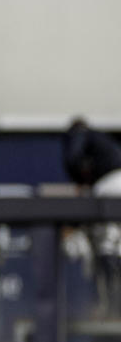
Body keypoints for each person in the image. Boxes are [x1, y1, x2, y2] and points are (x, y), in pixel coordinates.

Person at [62, 118, 121, 316]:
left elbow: (74, 159)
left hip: (109, 188)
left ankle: (111, 299)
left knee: (104, 246)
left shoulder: (82, 134)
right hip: (114, 186)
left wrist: (78, 178)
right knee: (113, 243)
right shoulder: (105, 141)